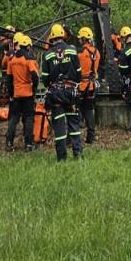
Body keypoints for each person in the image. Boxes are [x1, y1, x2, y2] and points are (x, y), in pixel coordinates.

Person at [42, 23, 84, 161]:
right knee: (74, 123)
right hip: (71, 93)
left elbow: (45, 78)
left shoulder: (47, 55)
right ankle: (78, 154)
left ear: (52, 37)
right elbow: (78, 73)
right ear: (62, 35)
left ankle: (61, 157)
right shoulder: (72, 51)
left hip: (56, 95)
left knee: (59, 127)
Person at [5, 33, 39, 151]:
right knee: (29, 118)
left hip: (16, 94)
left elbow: (8, 79)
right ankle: (29, 144)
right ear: (28, 46)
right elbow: (35, 76)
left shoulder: (12, 60)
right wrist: (34, 89)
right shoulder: (29, 59)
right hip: (28, 93)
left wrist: (11, 94)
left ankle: (9, 143)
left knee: (14, 118)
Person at [77, 25, 101, 144]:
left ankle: (73, 136)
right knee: (89, 109)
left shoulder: (80, 53)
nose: (79, 40)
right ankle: (91, 136)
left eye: (80, 38)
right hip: (91, 86)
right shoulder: (97, 53)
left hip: (81, 85)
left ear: (84, 39)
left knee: (76, 109)